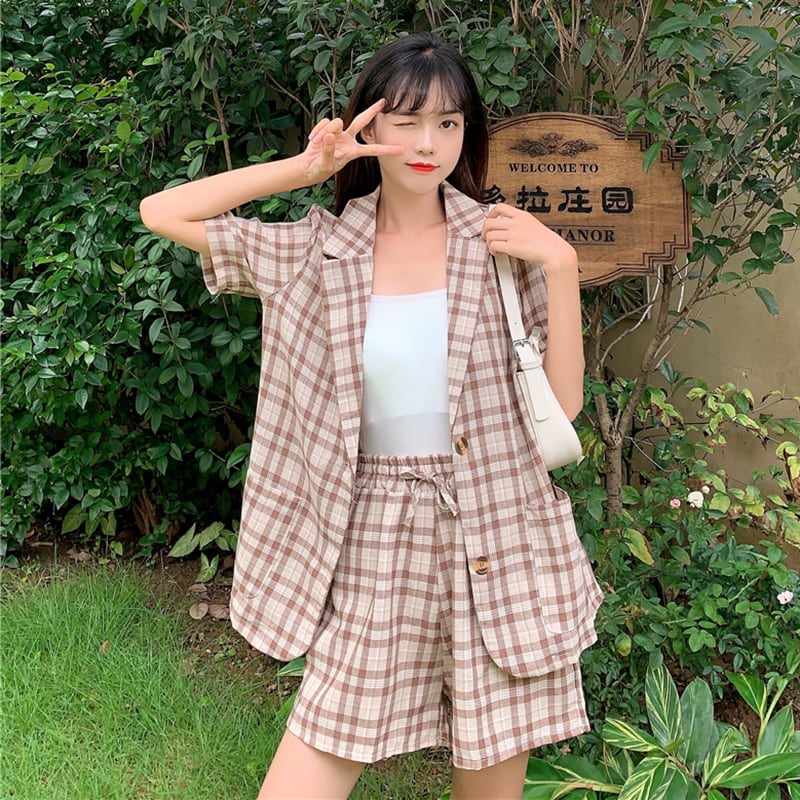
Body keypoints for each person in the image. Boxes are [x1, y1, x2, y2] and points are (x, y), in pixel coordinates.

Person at [140, 32, 602, 800]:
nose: (427, 144)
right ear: (370, 125)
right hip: (373, 535)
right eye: (407, 121)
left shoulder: (502, 245)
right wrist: (305, 168)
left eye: (448, 123)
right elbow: (162, 210)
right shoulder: (316, 251)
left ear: (467, 132)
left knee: (490, 783)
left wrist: (560, 264)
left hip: (495, 532)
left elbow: (565, 407)